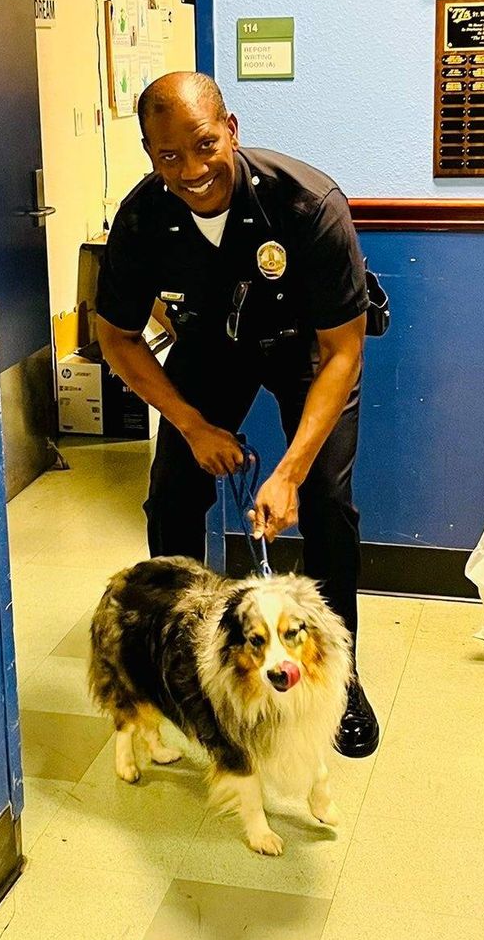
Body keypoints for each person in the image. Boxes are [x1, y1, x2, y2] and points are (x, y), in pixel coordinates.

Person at [95, 71, 379, 757]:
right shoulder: (141, 219)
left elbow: (344, 351)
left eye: (204, 144)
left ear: (231, 129)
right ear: (149, 153)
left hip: (307, 349)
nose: (192, 170)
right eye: (168, 155)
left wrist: (289, 472)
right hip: (211, 346)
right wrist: (193, 427)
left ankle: (340, 678)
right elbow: (117, 338)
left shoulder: (308, 204)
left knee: (325, 499)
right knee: (172, 495)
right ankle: (176, 660)